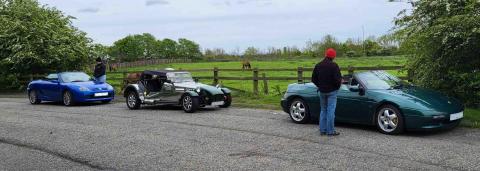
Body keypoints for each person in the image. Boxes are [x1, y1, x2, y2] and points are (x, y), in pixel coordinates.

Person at [311, 48, 342, 136]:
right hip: (332, 92)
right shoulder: (334, 66)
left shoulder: (318, 65)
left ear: (325, 55)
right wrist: (337, 87)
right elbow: (337, 80)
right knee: (331, 111)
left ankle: (322, 130)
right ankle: (330, 131)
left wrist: (319, 85)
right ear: (333, 57)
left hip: (322, 91)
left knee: (323, 110)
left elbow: (313, 79)